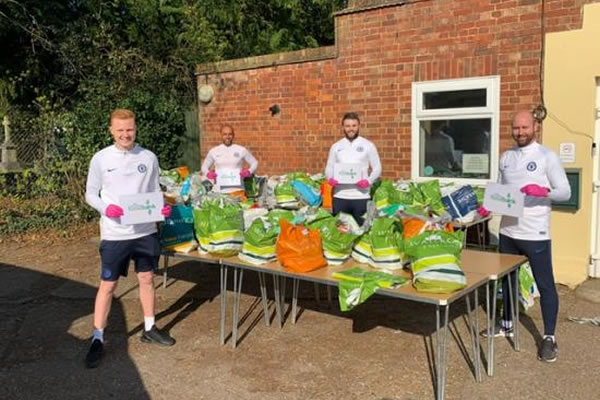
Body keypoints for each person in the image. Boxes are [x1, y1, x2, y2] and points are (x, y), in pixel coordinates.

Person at [84, 108, 175, 369]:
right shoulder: (100, 158)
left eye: (130, 129)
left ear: (136, 129)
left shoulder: (149, 157)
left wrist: (162, 208)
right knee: (108, 285)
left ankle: (150, 328)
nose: (126, 134)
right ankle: (97, 338)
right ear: (111, 130)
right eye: (120, 130)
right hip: (115, 233)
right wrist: (105, 208)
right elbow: (90, 194)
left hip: (145, 232)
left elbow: (154, 190)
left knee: (147, 279)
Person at [488, 110, 571, 363]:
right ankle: (507, 323)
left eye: (524, 128)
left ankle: (549, 337)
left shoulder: (547, 156)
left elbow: (565, 192)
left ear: (534, 126)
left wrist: (543, 190)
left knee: (545, 284)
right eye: (516, 128)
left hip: (535, 232)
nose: (520, 133)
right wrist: (488, 204)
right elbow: (501, 192)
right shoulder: (506, 157)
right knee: (507, 282)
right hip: (508, 231)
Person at [325, 112, 382, 225]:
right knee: (341, 232)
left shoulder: (368, 145)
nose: (351, 129)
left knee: (361, 231)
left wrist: (369, 181)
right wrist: (330, 178)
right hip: (340, 196)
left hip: (361, 196)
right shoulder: (336, 146)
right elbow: (329, 167)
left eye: (354, 126)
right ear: (343, 127)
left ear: (359, 126)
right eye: (348, 126)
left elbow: (377, 168)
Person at [201, 124, 258, 194]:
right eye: (225, 134)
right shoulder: (214, 151)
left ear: (233, 135)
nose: (227, 137)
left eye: (230, 134)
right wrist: (208, 173)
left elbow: (254, 163)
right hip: (218, 191)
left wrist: (249, 171)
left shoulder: (241, 150)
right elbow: (204, 167)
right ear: (221, 135)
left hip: (237, 191)